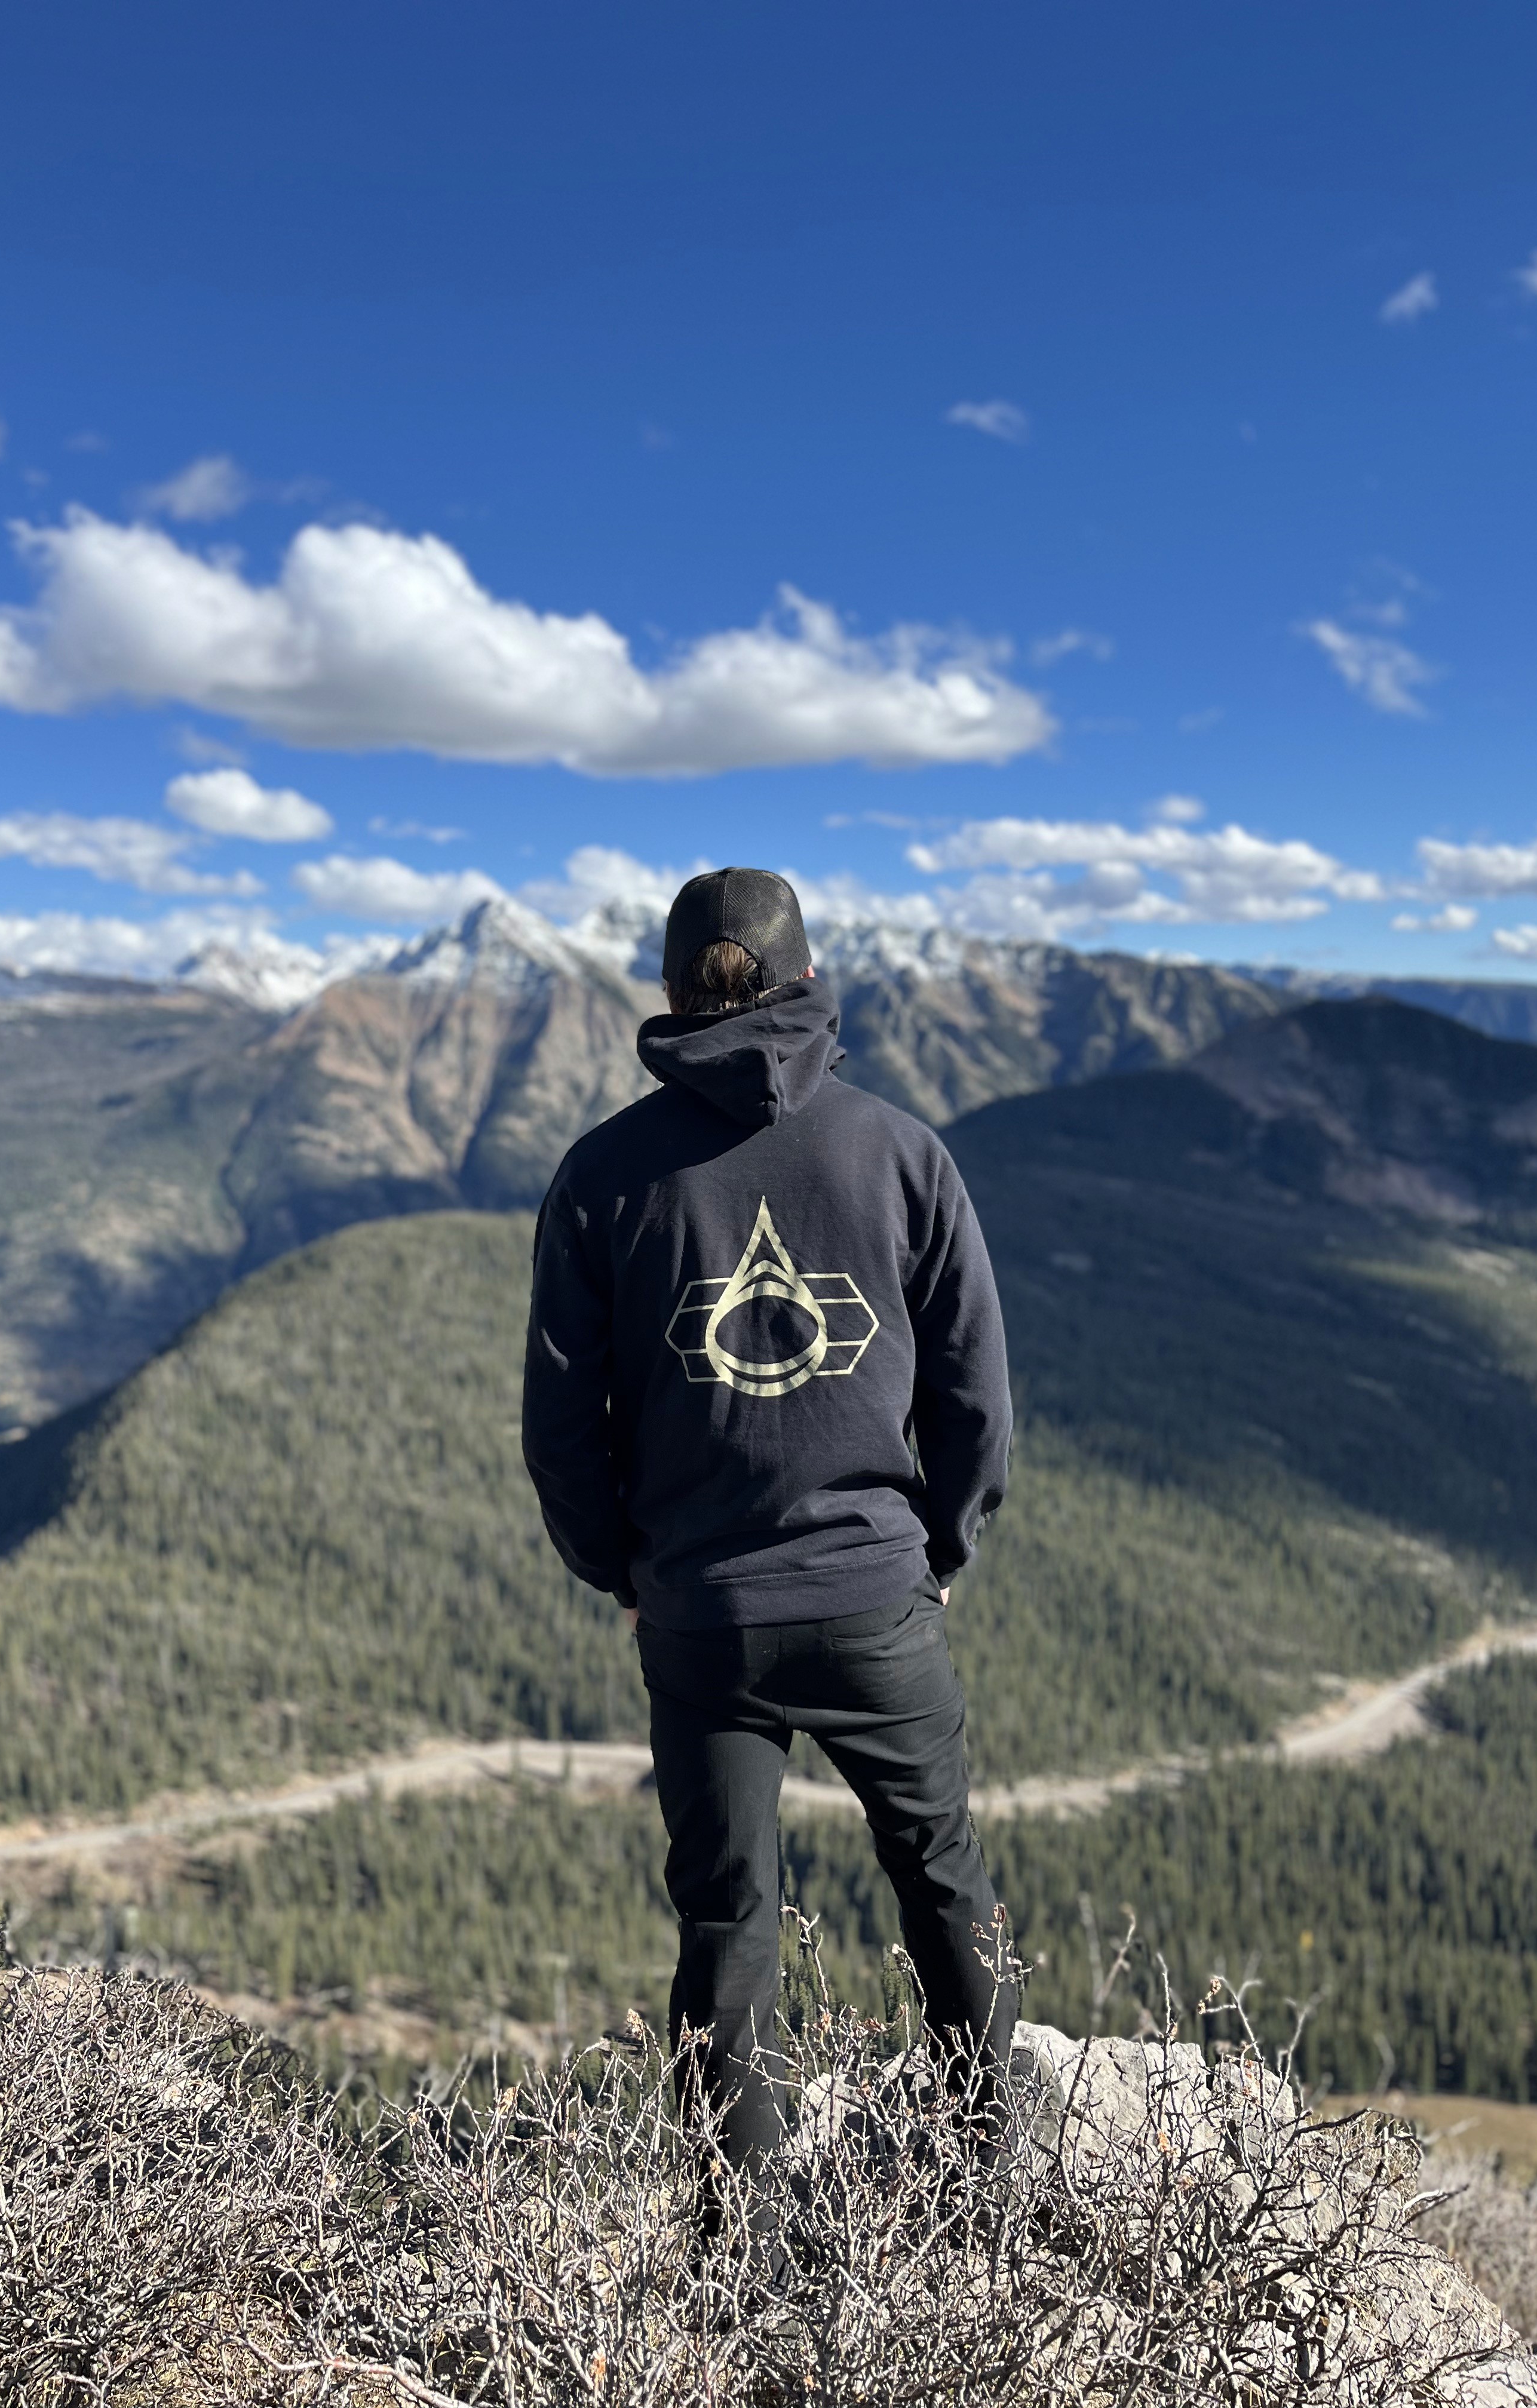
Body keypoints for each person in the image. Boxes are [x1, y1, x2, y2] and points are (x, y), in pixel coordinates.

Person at [521, 866, 1016, 2193]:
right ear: (808, 980)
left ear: (674, 993)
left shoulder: (603, 1177)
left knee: (729, 1927)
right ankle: (995, 2183)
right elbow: (976, 1392)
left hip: (700, 1619)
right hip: (876, 1602)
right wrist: (943, 1549)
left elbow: (559, 1428)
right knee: (943, 1888)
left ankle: (737, 2257)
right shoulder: (902, 1153)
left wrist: (623, 1571)